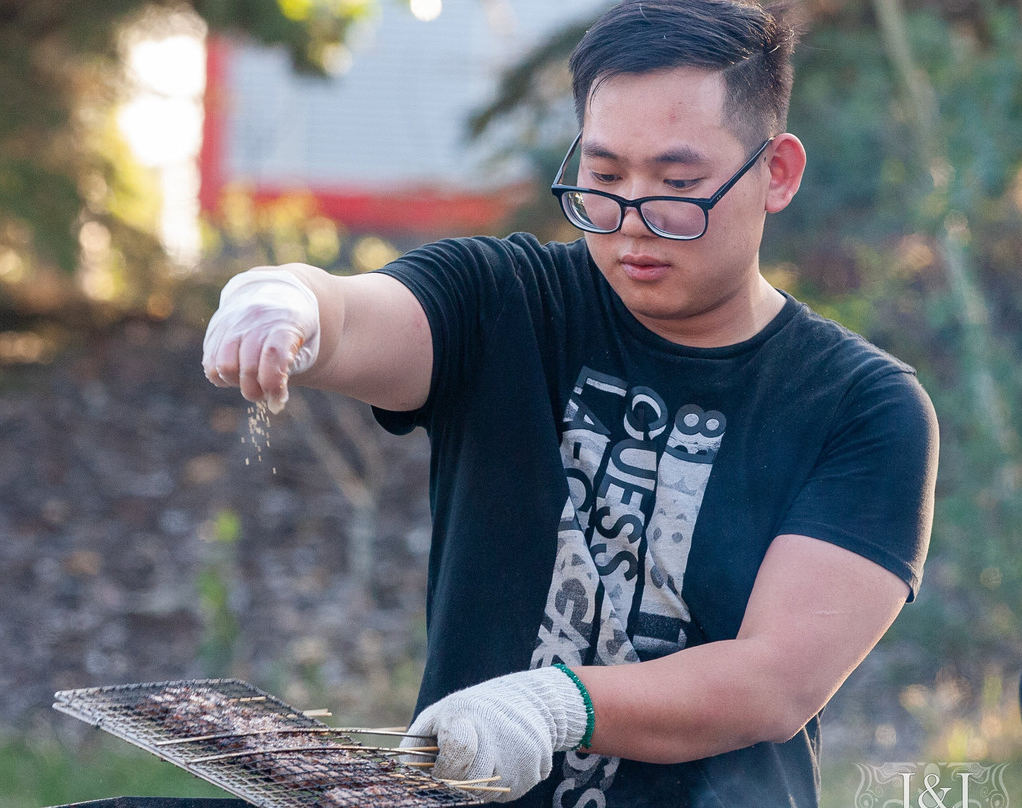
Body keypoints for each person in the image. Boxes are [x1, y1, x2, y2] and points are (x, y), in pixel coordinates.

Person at [202, 1, 939, 805]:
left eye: (677, 184)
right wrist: (280, 298)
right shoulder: (506, 301)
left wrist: (555, 704)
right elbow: (351, 316)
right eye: (605, 176)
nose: (631, 224)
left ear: (777, 173)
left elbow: (773, 683)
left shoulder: (864, 406)